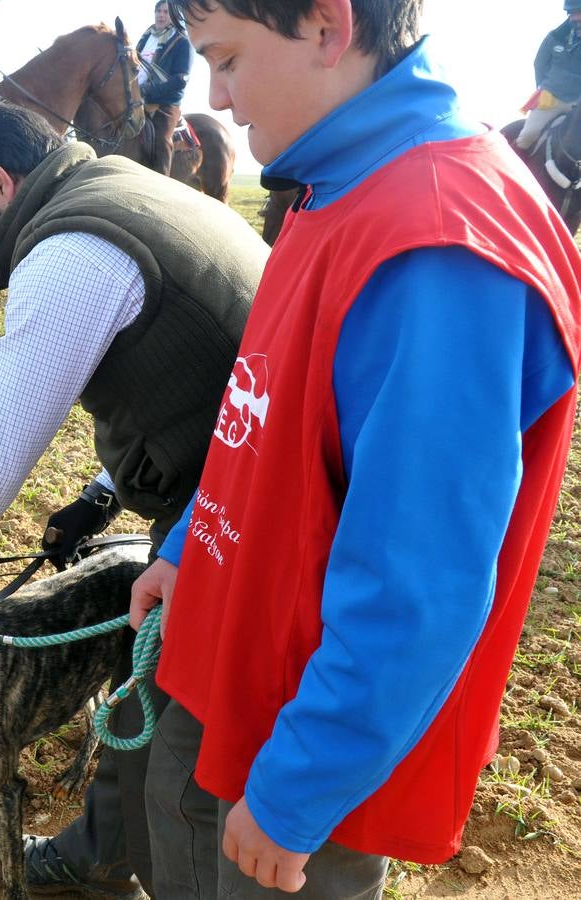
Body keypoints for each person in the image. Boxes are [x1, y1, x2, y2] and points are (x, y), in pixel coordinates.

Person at [128, 1, 581, 896]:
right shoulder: (338, 179)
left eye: (226, 59)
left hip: (296, 719)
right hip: (230, 640)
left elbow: (422, 583)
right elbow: (266, 405)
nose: (214, 97)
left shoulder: (436, 242)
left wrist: (302, 788)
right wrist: (190, 549)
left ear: (329, 27)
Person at [0, 101, 267, 898]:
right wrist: (104, 495)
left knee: (178, 736)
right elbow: (189, 376)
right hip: (226, 481)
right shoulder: (122, 187)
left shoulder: (70, 249)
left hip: (238, 508)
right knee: (147, 686)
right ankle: (100, 853)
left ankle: (160, 874)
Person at [135, 0, 193, 175]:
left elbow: (181, 80)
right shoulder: (146, 37)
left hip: (165, 103)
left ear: (175, 16)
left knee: (161, 140)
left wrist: (149, 91)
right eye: (158, 11)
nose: (161, 15)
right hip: (137, 98)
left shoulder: (182, 41)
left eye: (166, 12)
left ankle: (162, 180)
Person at [516, 1, 581, 150]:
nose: (576, 17)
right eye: (572, 13)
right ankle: (512, 169)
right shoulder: (553, 38)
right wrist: (544, 89)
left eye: (579, 13)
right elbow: (539, 65)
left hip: (578, 104)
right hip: (550, 100)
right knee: (528, 135)